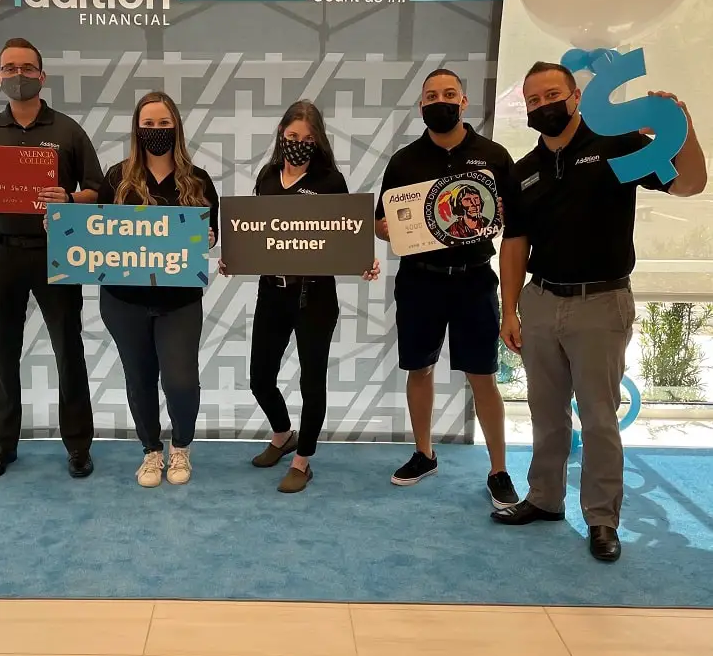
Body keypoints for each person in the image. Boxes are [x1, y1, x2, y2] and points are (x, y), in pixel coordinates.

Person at [495, 61, 707, 562]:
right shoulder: (523, 171)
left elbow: (690, 184)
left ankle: (601, 518)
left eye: (552, 95)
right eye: (532, 100)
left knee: (598, 418)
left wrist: (683, 126)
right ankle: (544, 499)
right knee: (546, 414)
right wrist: (510, 310)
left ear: (576, 97)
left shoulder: (616, 147)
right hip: (541, 301)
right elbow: (515, 242)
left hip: (601, 303)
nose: (543, 106)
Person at [0, 38, 103, 481]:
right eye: (10, 68)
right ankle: (2, 444)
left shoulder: (68, 131)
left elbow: (96, 190)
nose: (19, 75)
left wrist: (68, 197)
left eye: (27, 68)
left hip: (56, 251)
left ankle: (78, 445)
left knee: (68, 349)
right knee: (1, 351)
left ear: (42, 76)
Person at [375, 68, 520, 510]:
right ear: (421, 105)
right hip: (420, 280)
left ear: (464, 101)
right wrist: (390, 229)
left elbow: (514, 223)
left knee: (483, 376)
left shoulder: (494, 156)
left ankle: (498, 470)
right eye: (432, 95)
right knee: (419, 369)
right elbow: (381, 223)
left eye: (449, 93)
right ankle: (425, 453)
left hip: (475, 280)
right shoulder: (404, 161)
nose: (441, 101)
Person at [224, 100, 379, 494]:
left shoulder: (330, 181)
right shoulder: (267, 176)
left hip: (316, 296)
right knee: (260, 378)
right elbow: (254, 232)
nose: (298, 143)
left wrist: (363, 261)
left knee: (312, 381)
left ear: (318, 141)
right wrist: (234, 257)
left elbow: (349, 234)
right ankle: (282, 434)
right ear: (281, 134)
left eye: (307, 138)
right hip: (272, 292)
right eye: (292, 135)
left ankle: (302, 461)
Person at [97, 91, 219, 488]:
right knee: (139, 379)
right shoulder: (116, 178)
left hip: (178, 301)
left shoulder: (198, 180)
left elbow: (212, 233)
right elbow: (94, 230)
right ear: (136, 129)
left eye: (164, 123)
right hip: (124, 300)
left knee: (181, 382)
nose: (156, 130)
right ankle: (151, 451)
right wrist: (60, 227)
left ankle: (181, 446)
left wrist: (210, 238)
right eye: (148, 124)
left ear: (176, 128)